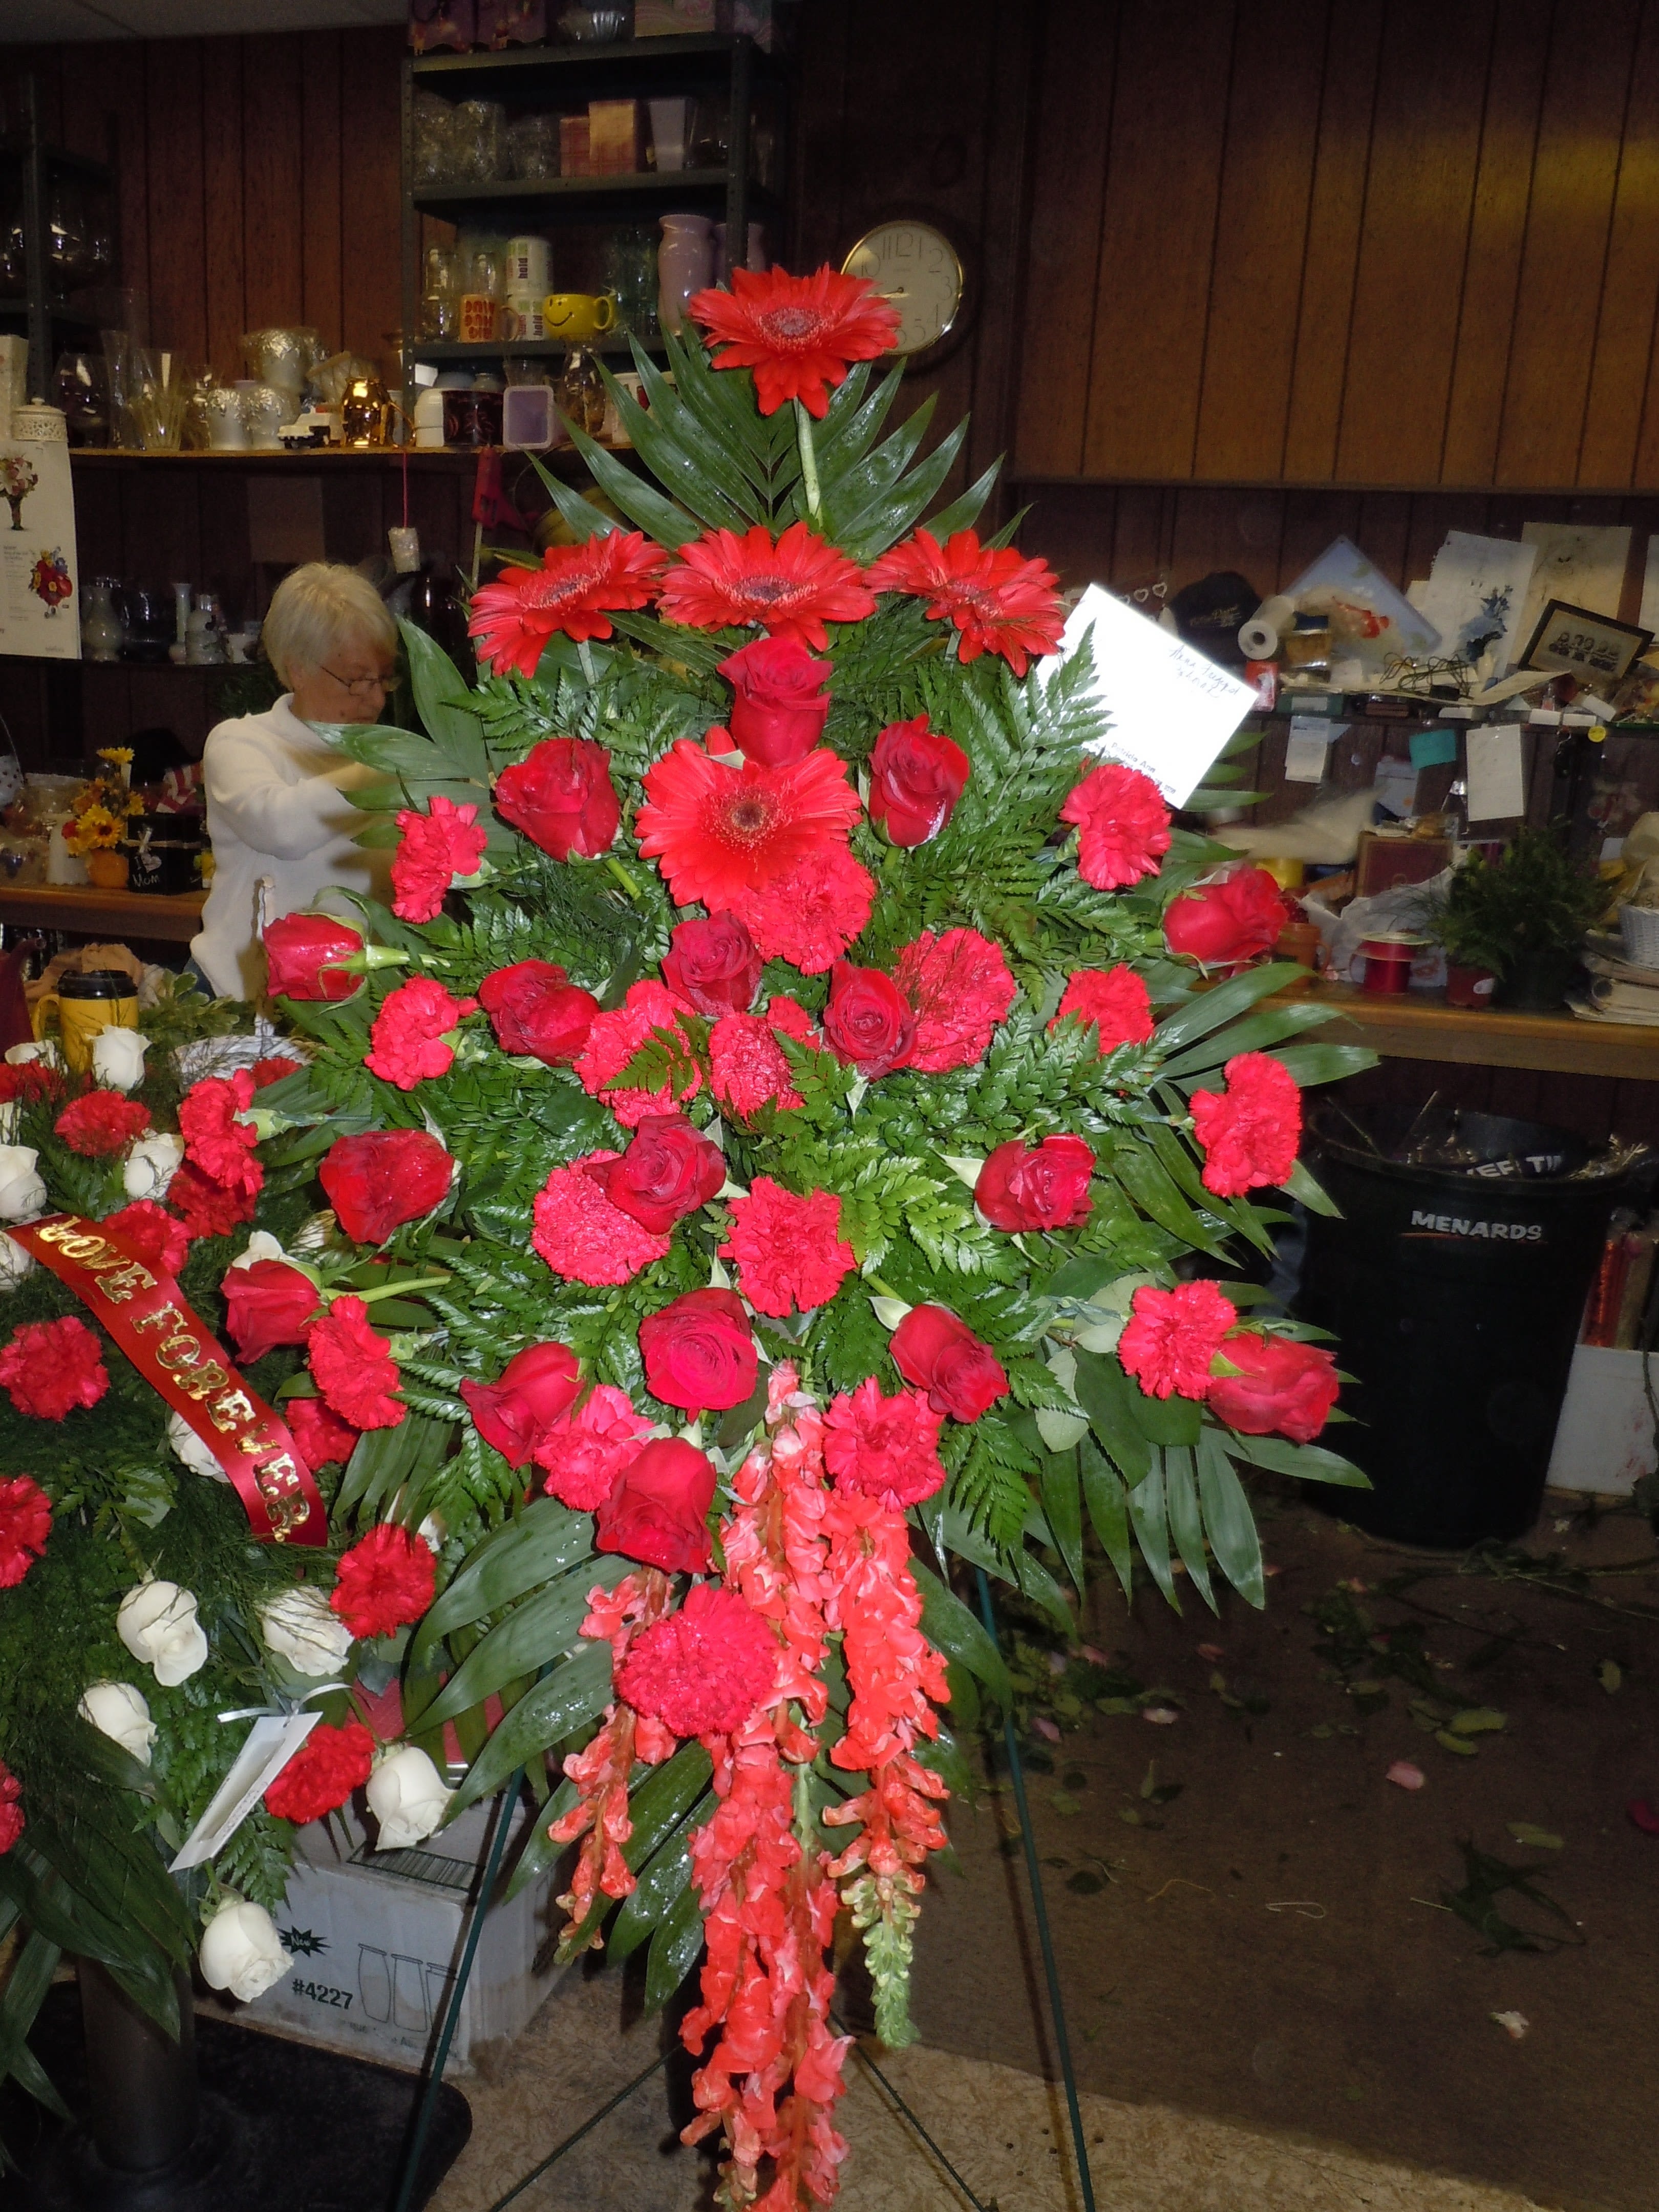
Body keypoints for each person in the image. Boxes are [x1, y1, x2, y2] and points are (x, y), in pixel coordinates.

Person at [189, 564, 398, 998]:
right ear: (299, 669)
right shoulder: (241, 743)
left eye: (382, 679)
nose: (375, 699)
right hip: (239, 999)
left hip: (348, 1005)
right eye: (357, 680)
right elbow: (282, 828)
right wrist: (393, 767)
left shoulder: (383, 758)